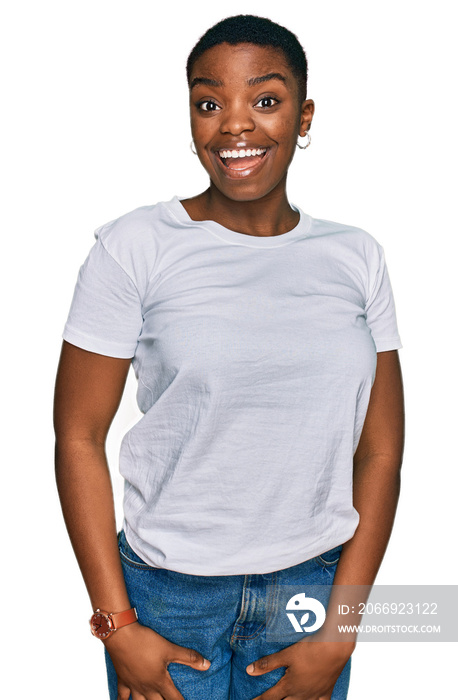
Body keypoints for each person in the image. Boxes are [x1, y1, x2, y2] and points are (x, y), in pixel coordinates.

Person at [54, 14, 404, 700]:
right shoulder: (135, 247)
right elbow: (77, 436)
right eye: (208, 103)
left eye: (265, 100)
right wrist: (115, 623)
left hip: (310, 594)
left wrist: (343, 630)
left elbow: (381, 453)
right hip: (165, 595)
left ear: (304, 116)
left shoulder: (357, 257)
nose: (234, 126)